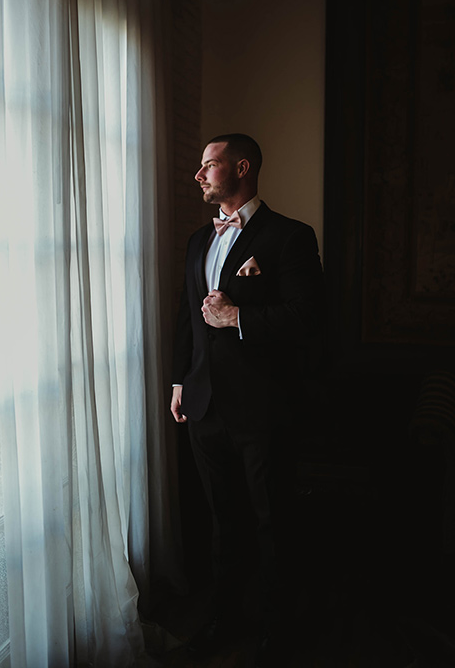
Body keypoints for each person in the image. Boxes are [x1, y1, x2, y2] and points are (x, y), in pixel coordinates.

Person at [171, 133, 324, 666]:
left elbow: (310, 319)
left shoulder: (290, 236)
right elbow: (188, 320)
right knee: (221, 519)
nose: (199, 175)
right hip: (204, 407)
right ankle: (222, 616)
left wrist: (240, 317)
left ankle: (277, 628)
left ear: (242, 167)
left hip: (263, 410)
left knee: (271, 523)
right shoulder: (198, 241)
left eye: (208, 165)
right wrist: (178, 383)